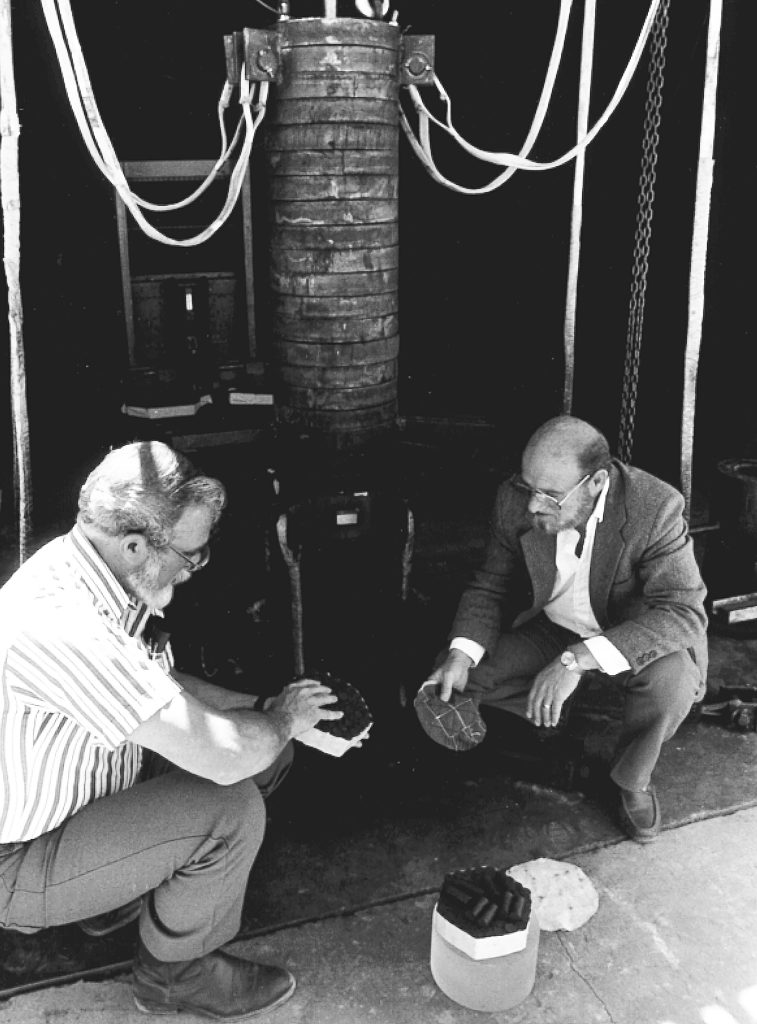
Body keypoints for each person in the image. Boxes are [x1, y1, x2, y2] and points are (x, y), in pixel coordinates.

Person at [0, 441, 343, 1020]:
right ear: (135, 545)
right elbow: (227, 758)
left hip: (85, 794)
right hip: (20, 857)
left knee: (268, 753)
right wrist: (283, 719)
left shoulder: (92, 571)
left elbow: (158, 680)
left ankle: (115, 897)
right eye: (192, 555)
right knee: (231, 807)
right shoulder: (67, 625)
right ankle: (172, 976)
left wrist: (262, 707)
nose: (195, 568)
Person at [421, 415, 708, 843]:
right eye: (529, 488)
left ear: (595, 483)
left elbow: (684, 611)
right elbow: (490, 583)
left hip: (627, 634)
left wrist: (576, 662)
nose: (533, 505)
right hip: (553, 628)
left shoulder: (656, 507)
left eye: (551, 495)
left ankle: (631, 780)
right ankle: (555, 709)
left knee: (672, 683)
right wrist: (461, 655)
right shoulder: (514, 498)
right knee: (450, 679)